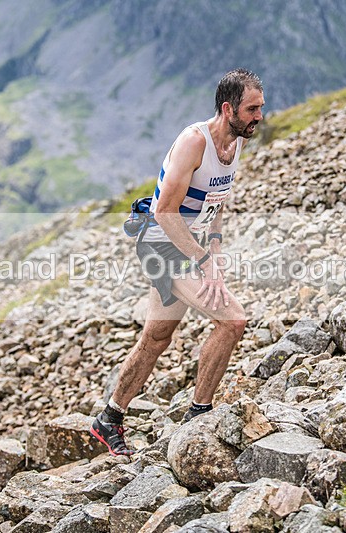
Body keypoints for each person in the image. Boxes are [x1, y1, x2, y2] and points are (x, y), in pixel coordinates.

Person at [90, 68, 265, 456]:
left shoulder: (236, 142)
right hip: (160, 242)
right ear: (228, 108)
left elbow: (216, 203)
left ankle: (109, 418)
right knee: (233, 321)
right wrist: (203, 261)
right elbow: (165, 211)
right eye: (252, 109)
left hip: (189, 244)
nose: (259, 116)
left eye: (261, 108)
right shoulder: (194, 142)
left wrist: (214, 250)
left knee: (157, 337)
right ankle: (199, 415)